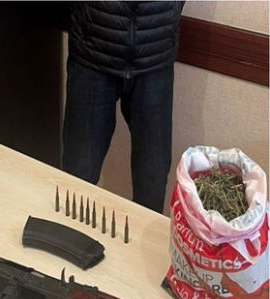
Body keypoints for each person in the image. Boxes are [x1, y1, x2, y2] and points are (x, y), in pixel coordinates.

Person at [62, 1, 185, 213]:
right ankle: (70, 234)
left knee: (152, 178)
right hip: (92, 50)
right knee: (78, 174)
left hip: (155, 51)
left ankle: (143, 236)